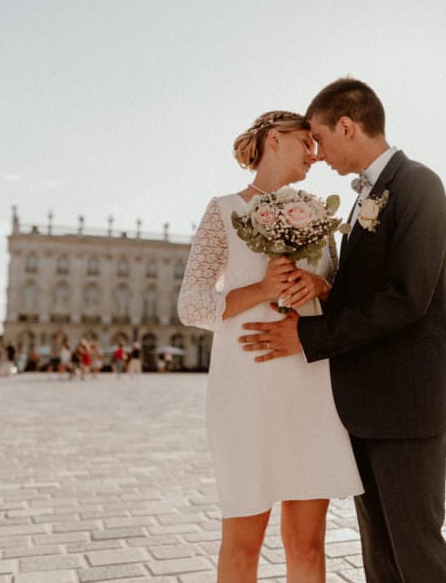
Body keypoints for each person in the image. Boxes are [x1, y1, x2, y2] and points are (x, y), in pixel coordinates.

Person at [241, 79, 446, 582]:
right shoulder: (371, 195)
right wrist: (323, 289)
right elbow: (369, 291)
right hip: (365, 407)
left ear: (347, 126)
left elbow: (407, 297)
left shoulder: (419, 185)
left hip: (408, 406)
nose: (316, 154)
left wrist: (308, 339)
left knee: (417, 551)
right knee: (380, 554)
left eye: (319, 137)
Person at [178, 109, 362, 582]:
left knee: (307, 543)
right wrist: (261, 290)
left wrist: (317, 288)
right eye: (306, 142)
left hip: (308, 385)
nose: (316, 154)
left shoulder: (321, 217)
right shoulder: (222, 211)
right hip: (246, 390)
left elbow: (342, 298)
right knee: (243, 544)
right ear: (274, 141)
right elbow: (192, 305)